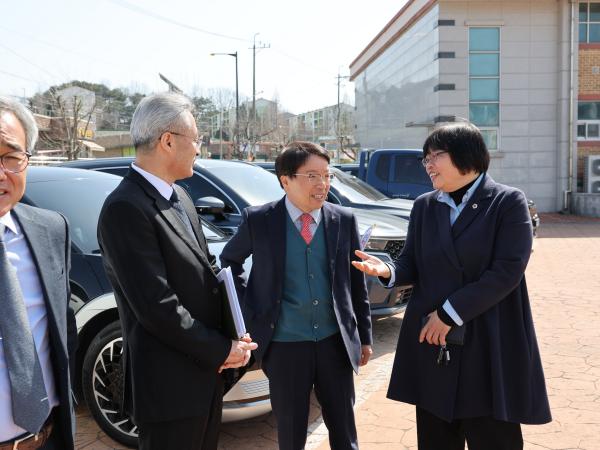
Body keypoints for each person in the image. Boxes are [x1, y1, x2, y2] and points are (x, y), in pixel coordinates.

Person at [353, 122, 551, 450]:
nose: (428, 164)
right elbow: (411, 263)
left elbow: (507, 271)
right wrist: (386, 270)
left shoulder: (507, 202)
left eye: (436, 156)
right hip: (434, 345)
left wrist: (448, 313)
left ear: (467, 155)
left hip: (488, 337)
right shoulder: (425, 206)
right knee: (436, 435)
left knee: (493, 435)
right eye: (425, 158)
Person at [97, 92, 257, 450]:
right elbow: (157, 306)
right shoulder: (125, 208)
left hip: (204, 378)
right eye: (196, 139)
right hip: (169, 390)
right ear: (168, 141)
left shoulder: (180, 196)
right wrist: (220, 349)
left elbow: (208, 274)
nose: (200, 148)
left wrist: (236, 333)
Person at [220, 141, 372, 450]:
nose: (323, 184)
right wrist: (253, 306)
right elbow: (229, 261)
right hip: (285, 346)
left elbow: (357, 283)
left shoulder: (343, 219)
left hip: (335, 344)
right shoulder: (259, 220)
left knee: (344, 430)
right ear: (285, 180)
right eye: (312, 176)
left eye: (327, 175)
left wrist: (364, 336)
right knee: (291, 433)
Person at [0, 97, 76, 449]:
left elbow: (62, 329)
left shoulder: (51, 230)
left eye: (10, 157)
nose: (1, 173)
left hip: (46, 438)